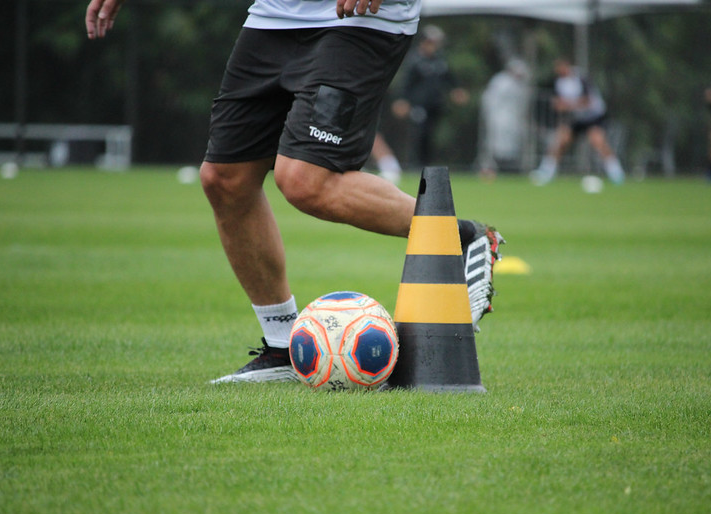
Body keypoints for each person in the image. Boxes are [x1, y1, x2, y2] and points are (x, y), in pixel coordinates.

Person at [86, 0, 504, 384]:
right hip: (273, 16)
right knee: (225, 179)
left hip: (359, 19)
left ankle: (461, 237)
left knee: (306, 179)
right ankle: (283, 347)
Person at [531, 57, 625, 185]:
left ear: (567, 65)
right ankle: (546, 172)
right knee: (560, 142)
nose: (558, 70)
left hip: (593, 116)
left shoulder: (581, 78)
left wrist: (567, 105)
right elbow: (559, 103)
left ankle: (616, 173)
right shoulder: (559, 82)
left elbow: (587, 101)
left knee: (597, 141)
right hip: (576, 118)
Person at [391, 24, 469, 168]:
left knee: (431, 136)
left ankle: (428, 165)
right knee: (420, 134)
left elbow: (450, 79)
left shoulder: (440, 61)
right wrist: (402, 101)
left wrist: (457, 90)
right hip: (419, 105)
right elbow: (406, 83)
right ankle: (416, 166)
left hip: (436, 105)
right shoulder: (415, 61)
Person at [477, 58, 532, 180]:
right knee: (494, 143)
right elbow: (490, 99)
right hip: (499, 117)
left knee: (513, 144)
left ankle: (510, 167)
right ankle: (491, 167)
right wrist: (490, 116)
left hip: (514, 119)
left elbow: (523, 104)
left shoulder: (521, 85)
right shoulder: (500, 81)